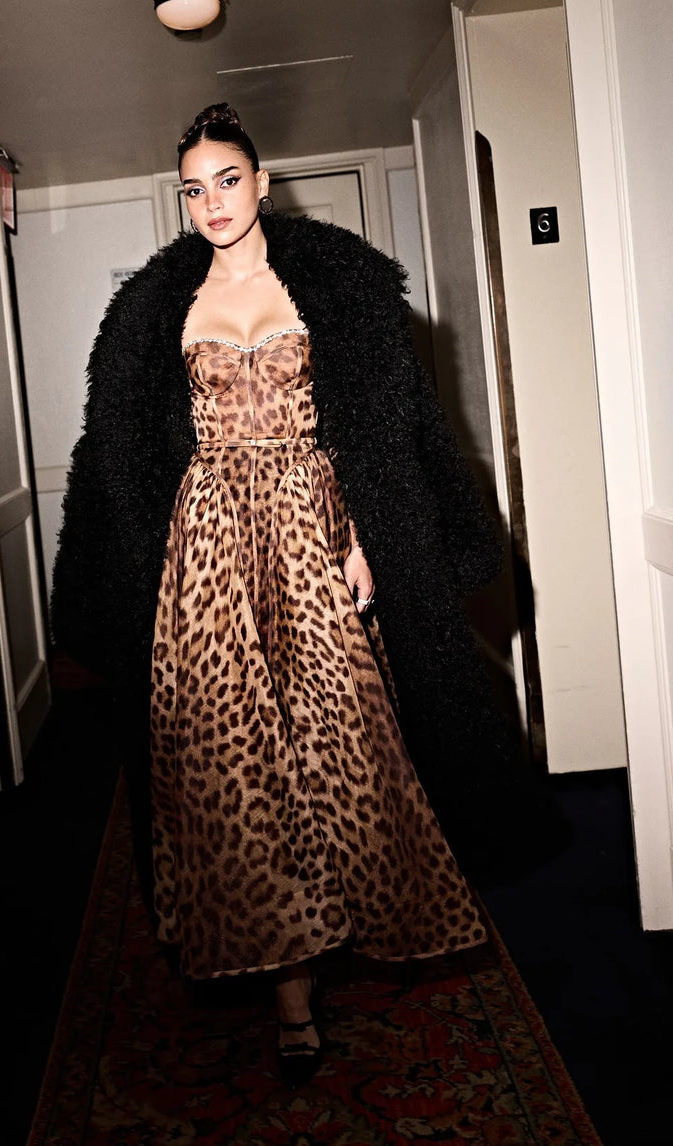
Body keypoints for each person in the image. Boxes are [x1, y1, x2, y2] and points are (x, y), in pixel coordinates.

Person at [52, 103, 557, 1086]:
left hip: (311, 522)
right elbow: (124, 448)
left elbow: (382, 424)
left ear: (263, 180)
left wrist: (367, 536)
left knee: (337, 735)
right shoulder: (159, 310)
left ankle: (345, 908)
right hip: (206, 541)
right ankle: (285, 986)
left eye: (227, 179)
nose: (211, 202)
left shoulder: (332, 287)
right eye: (193, 187)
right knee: (223, 756)